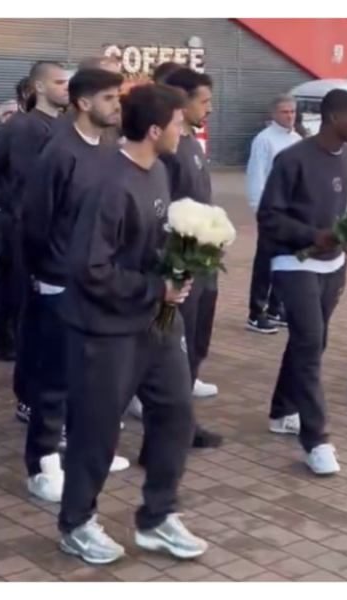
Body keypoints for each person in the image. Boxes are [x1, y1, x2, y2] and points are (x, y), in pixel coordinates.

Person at [57, 84, 206, 564]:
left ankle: (157, 517)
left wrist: (181, 262)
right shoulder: (109, 184)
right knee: (97, 431)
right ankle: (76, 523)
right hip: (106, 330)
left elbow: (152, 243)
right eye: (181, 123)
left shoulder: (159, 170)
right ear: (156, 129)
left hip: (158, 326)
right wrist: (153, 288)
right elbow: (89, 269)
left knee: (178, 414)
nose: (187, 130)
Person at [18, 68, 126, 503]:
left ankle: (83, 449)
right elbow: (35, 221)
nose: (117, 105)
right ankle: (41, 463)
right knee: (55, 376)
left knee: (91, 375)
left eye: (117, 97)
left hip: (97, 282)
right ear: (83, 103)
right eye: (108, 98)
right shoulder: (58, 152)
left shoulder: (107, 149)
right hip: (58, 281)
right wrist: (45, 274)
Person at [256, 88, 347, 474]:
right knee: (307, 342)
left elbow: (339, 205)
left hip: (332, 265)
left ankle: (282, 410)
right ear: (334, 118)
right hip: (293, 263)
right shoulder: (293, 159)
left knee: (313, 342)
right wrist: (311, 235)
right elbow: (269, 217)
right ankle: (316, 440)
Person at [142, 66, 223, 450]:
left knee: (198, 342)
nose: (209, 108)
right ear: (183, 100)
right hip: (180, 263)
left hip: (203, 261)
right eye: (203, 101)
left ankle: (183, 422)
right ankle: (169, 430)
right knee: (177, 347)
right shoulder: (170, 151)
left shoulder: (191, 144)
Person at [0, 62, 69, 423]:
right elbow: (31, 190)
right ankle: (27, 397)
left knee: (51, 321)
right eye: (59, 83)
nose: (66, 89)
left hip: (58, 241)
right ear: (39, 88)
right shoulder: (27, 127)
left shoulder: (62, 126)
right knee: (32, 318)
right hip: (32, 240)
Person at [244, 93, 302, 334]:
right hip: (271, 211)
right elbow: (256, 177)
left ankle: (276, 308)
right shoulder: (264, 141)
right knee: (265, 264)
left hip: (293, 213)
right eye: (284, 112)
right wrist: (261, 211)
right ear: (273, 114)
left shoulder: (298, 139)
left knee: (285, 262)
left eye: (292, 112)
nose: (289, 116)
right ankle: (257, 313)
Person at [0, 77, 31, 349]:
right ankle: (4, 337)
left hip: (31, 218)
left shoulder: (51, 126)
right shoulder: (14, 129)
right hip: (9, 216)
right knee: (7, 275)